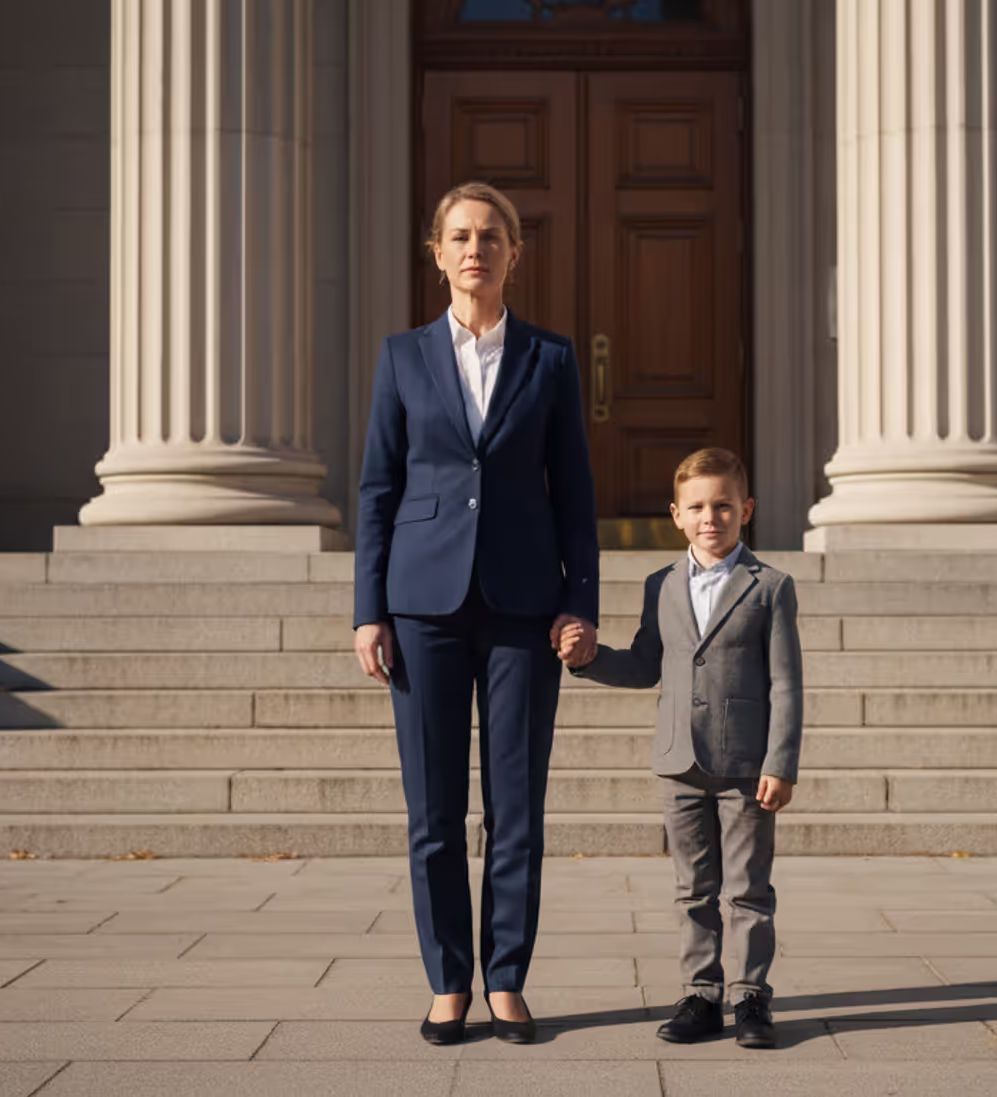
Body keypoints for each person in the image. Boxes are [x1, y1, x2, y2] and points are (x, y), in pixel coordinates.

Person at [352, 181, 600, 1046]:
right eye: (459, 236)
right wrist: (367, 610)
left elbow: (574, 496)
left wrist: (581, 603)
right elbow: (378, 489)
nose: (475, 250)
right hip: (421, 606)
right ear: (437, 251)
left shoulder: (552, 359)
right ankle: (445, 979)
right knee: (432, 809)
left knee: (516, 806)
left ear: (513, 253)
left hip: (525, 607)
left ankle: (506, 977)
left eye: (491, 236)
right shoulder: (402, 358)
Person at [557, 447, 803, 1049]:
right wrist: (588, 661)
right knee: (692, 888)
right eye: (697, 507)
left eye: (723, 505)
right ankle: (700, 994)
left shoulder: (770, 587)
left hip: (747, 765)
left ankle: (750, 999)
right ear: (675, 514)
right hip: (679, 763)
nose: (710, 517)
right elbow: (647, 665)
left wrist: (780, 761)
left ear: (746, 509)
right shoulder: (661, 585)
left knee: (747, 888)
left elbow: (786, 682)